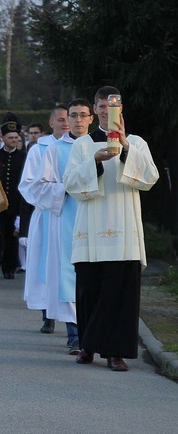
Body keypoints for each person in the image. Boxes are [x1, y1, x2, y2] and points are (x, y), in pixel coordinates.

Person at [63, 86, 159, 372]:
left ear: (121, 109)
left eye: (112, 106)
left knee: (119, 294)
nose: (107, 111)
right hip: (91, 229)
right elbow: (70, 184)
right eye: (102, 106)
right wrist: (94, 161)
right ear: (95, 110)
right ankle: (88, 346)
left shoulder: (137, 142)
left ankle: (115, 352)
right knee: (89, 290)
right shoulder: (82, 145)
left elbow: (149, 178)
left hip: (124, 231)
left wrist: (125, 146)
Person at [35, 98, 94, 355]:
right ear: (66, 120)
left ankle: (94, 333)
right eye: (73, 116)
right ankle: (75, 334)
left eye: (83, 115)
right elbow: (41, 187)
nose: (78, 120)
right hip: (67, 217)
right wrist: (67, 188)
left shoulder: (101, 145)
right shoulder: (54, 150)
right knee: (70, 275)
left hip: (98, 218)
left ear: (91, 118)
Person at [18, 105, 70, 333]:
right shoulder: (39, 150)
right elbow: (28, 185)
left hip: (72, 216)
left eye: (69, 118)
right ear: (51, 123)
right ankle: (47, 316)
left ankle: (73, 321)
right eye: (60, 119)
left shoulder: (81, 146)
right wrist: (58, 192)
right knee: (45, 266)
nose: (65, 123)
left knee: (68, 268)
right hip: (47, 214)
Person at [0, 115, 26, 280]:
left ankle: (9, 268)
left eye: (16, 137)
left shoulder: (23, 157)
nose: (14, 140)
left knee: (11, 239)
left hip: (14, 205)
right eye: (10, 137)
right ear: (3, 138)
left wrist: (21, 211)